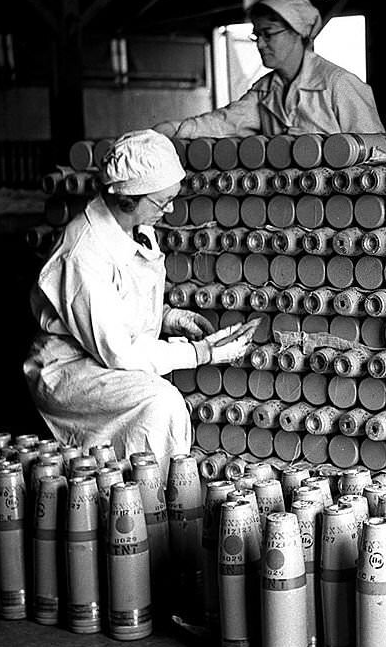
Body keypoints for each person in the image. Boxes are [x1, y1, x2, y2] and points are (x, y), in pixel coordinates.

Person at [23, 129, 256, 478]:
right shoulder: (84, 253)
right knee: (161, 404)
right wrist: (202, 353)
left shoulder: (135, 225)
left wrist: (168, 317)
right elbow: (116, 349)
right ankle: (148, 508)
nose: (170, 209)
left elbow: (116, 304)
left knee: (158, 409)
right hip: (71, 368)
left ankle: (141, 498)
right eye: (162, 202)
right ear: (128, 198)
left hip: (100, 353)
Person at [154, 0, 383, 138]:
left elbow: (377, 152)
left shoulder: (338, 85)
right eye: (257, 35)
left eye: (269, 34)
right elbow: (225, 122)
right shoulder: (265, 90)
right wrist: (175, 129)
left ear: (297, 31)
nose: (260, 44)